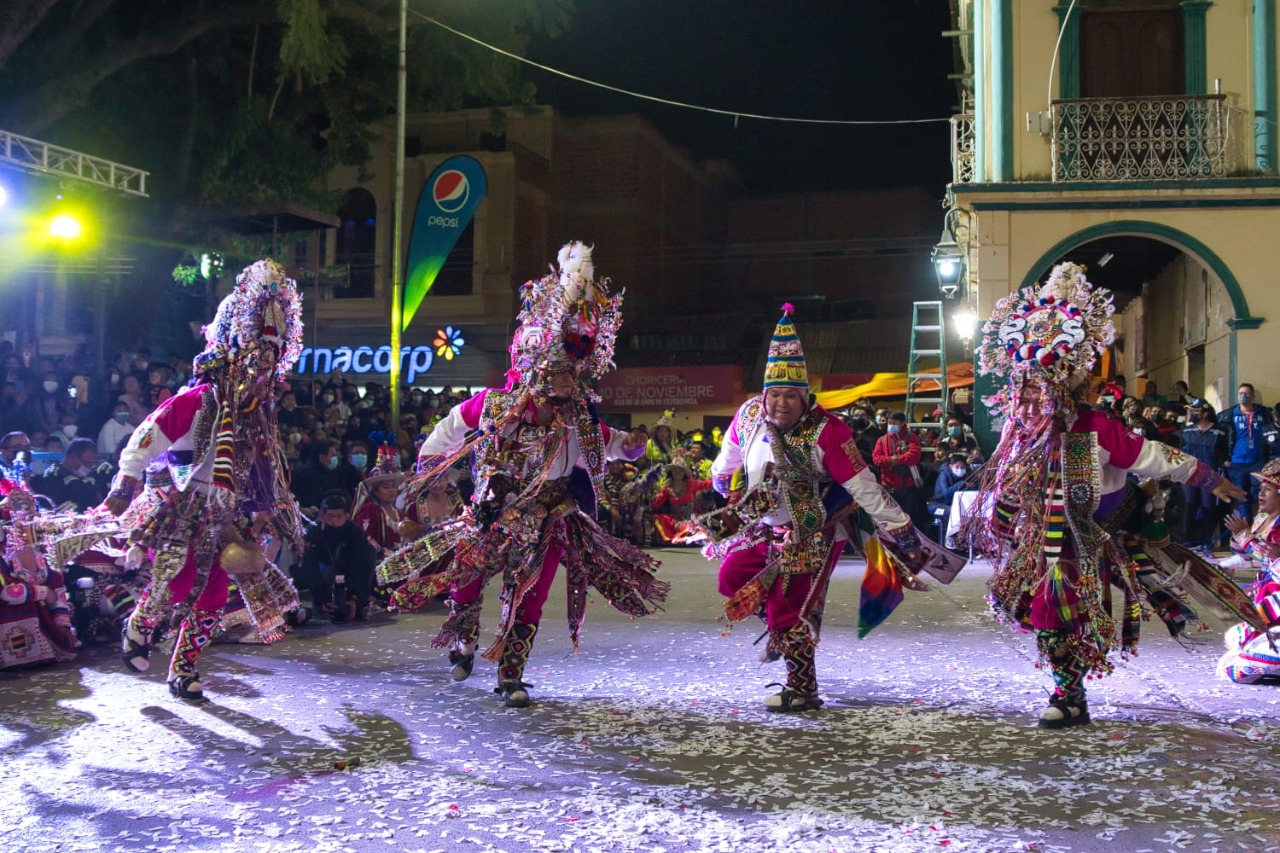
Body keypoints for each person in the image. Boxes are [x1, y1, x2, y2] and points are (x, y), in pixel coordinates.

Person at [376, 242, 667, 708]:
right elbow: (447, 433)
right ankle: (464, 643)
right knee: (468, 578)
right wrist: (432, 480)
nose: (569, 381)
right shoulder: (495, 406)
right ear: (537, 368)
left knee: (529, 595)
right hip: (495, 509)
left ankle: (511, 674)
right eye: (560, 372)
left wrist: (627, 445)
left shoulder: (580, 416)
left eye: (575, 373)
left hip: (551, 515)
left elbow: (603, 444)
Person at [967, 262, 1256, 729]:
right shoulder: (1021, 433)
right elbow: (1007, 483)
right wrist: (1000, 526)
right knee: (1045, 613)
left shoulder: (1097, 427)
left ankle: (1068, 693)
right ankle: (1070, 690)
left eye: (1042, 388)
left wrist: (1207, 477)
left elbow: (1152, 456)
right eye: (1026, 390)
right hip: (1044, 543)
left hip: (1091, 540)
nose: (1032, 400)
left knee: (1063, 612)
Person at [704, 305, 945, 713]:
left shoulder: (828, 432)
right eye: (774, 395)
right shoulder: (748, 417)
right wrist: (724, 490)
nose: (781, 404)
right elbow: (726, 462)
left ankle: (803, 688)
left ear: (805, 397)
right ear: (764, 396)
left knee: (786, 607)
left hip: (814, 531)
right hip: (762, 526)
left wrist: (902, 531)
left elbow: (864, 488)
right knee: (732, 579)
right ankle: (791, 630)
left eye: (790, 396)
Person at [107, 259, 307, 701]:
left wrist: (262, 515)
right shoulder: (198, 401)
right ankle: (140, 623)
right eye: (256, 363)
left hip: (225, 520)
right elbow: (145, 435)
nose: (262, 377)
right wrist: (125, 481)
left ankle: (184, 669)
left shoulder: (259, 421)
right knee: (173, 579)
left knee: (214, 596)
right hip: (182, 508)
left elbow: (259, 475)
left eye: (269, 368)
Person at [1217, 458, 1280, 683]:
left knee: (1237, 667)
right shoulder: (1264, 520)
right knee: (1233, 639)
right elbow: (1261, 561)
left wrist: (1245, 539)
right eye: (1261, 488)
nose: (1261, 494)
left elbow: (1265, 558)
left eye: (1268, 490)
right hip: (1272, 600)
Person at [301, 493, 376, 623]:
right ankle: (321, 605)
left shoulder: (353, 530)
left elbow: (360, 563)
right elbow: (310, 568)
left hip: (348, 569)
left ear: (346, 515)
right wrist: (323, 599)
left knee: (369, 552)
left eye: (339, 516)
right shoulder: (314, 530)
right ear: (322, 516)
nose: (334, 521)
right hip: (325, 571)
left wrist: (353, 596)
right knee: (308, 558)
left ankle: (358, 603)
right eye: (330, 516)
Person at [1218, 382, 1272, 519]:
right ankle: (1246, 526)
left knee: (1257, 492)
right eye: (1241, 393)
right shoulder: (1228, 416)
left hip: (1258, 461)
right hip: (1237, 462)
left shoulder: (1264, 414)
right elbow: (1221, 439)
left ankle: (1258, 524)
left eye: (1247, 393)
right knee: (1241, 495)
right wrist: (1225, 459)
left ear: (1253, 396)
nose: (1243, 396)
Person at [1181, 400, 1228, 553]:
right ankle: (1187, 543)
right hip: (1190, 475)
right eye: (1191, 411)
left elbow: (1224, 454)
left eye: (1196, 411)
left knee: (1209, 508)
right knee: (1190, 506)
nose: (1192, 414)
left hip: (1210, 476)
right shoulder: (1185, 431)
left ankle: (1206, 543)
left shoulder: (1220, 432)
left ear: (1205, 413)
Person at [872, 412, 927, 531]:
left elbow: (914, 456)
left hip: (908, 487)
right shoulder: (882, 440)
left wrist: (896, 460)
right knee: (889, 520)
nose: (891, 425)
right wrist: (892, 459)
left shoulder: (911, 438)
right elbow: (876, 459)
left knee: (909, 518)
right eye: (889, 423)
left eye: (894, 423)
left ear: (902, 424)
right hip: (888, 487)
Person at [30, 438, 108, 512]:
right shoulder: (51, 477)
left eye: (92, 464)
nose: (89, 468)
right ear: (72, 457)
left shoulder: (92, 478)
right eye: (86, 463)